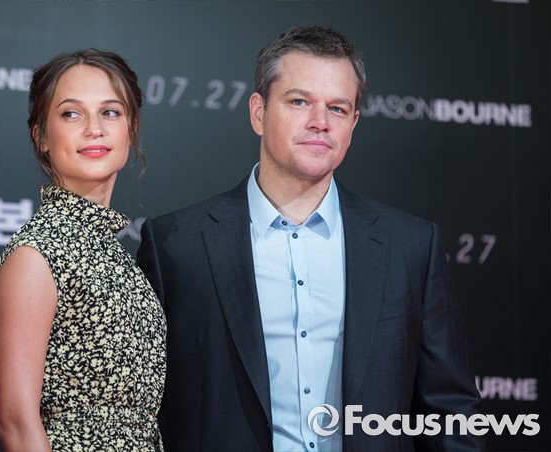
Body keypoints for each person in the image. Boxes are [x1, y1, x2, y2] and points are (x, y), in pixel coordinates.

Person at [137, 25, 483, 451]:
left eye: (337, 108)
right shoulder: (176, 244)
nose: (320, 122)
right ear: (258, 112)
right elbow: (141, 409)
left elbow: (449, 412)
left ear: (353, 124)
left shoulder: (410, 246)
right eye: (299, 102)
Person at [0, 49, 166, 451]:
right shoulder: (36, 254)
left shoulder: (114, 254)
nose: (94, 129)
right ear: (41, 136)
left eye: (110, 112)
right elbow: (17, 426)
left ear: (131, 129)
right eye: (71, 114)